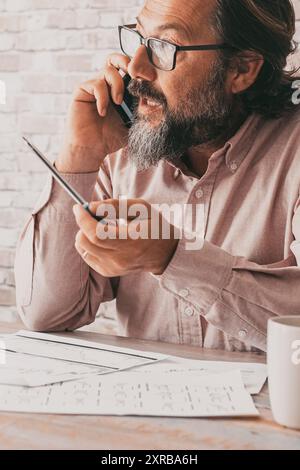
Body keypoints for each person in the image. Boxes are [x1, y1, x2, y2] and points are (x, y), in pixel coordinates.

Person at [15, 0, 300, 352]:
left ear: (241, 69)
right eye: (139, 37)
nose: (136, 69)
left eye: (164, 47)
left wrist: (171, 257)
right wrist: (79, 156)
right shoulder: (121, 149)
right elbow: (47, 314)